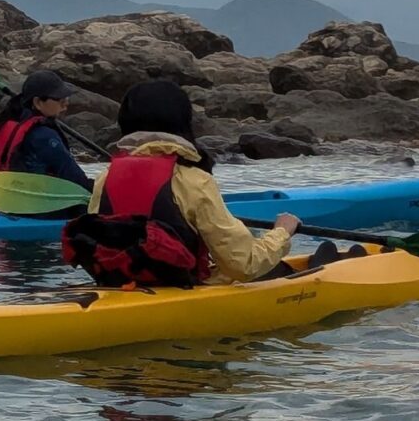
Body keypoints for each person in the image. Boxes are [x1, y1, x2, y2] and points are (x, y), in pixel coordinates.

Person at [64, 80, 298, 286]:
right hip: (185, 287)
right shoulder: (194, 180)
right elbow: (243, 264)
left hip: (119, 285)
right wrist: (281, 233)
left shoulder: (106, 177)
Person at [0, 70, 91, 189]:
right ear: (38, 102)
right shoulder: (43, 136)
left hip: (9, 199)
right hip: (44, 203)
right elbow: (76, 179)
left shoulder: (5, 124)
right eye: (60, 100)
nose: (65, 105)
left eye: (66, 99)